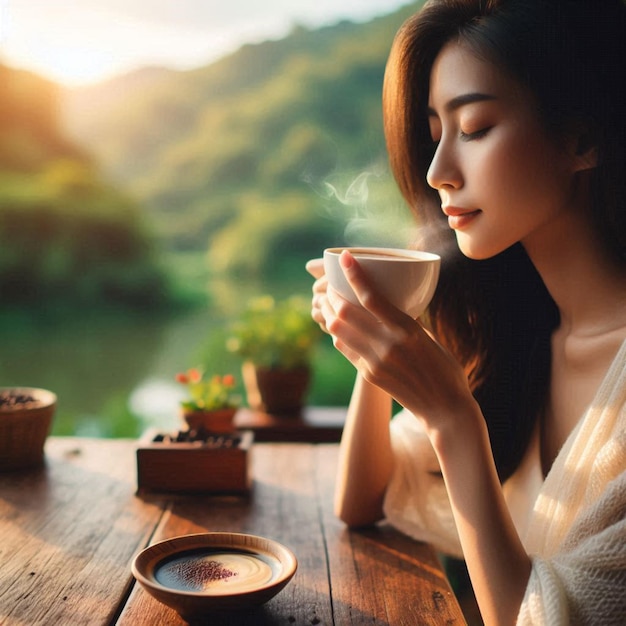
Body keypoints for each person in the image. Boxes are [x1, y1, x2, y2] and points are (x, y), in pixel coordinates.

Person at [306, 0, 626, 624]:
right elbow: (364, 500)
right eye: (434, 136)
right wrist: (376, 327)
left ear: (583, 138)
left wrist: (453, 416)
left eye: (475, 127)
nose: (437, 172)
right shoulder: (523, 340)